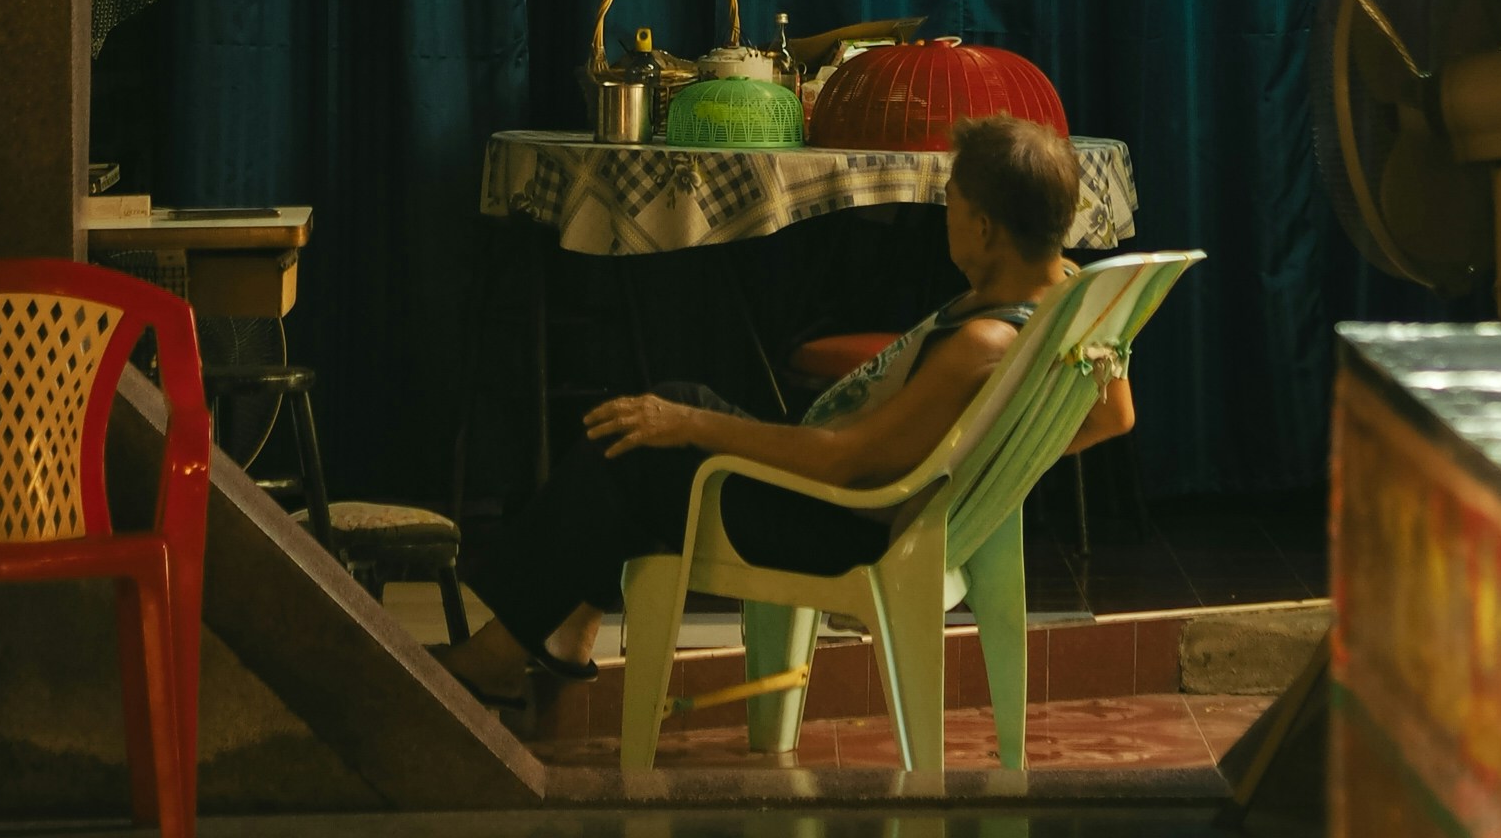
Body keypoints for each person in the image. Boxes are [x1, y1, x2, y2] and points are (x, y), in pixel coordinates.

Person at [442, 114, 1134, 710]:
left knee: (648, 435)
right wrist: (994, 456)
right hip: (885, 508)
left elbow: (843, 458)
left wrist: (691, 427)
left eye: (950, 202)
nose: (944, 218)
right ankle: (567, 629)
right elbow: (1114, 418)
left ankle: (500, 654)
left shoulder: (984, 343)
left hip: (840, 525)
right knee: (668, 410)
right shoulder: (1071, 294)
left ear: (983, 227)